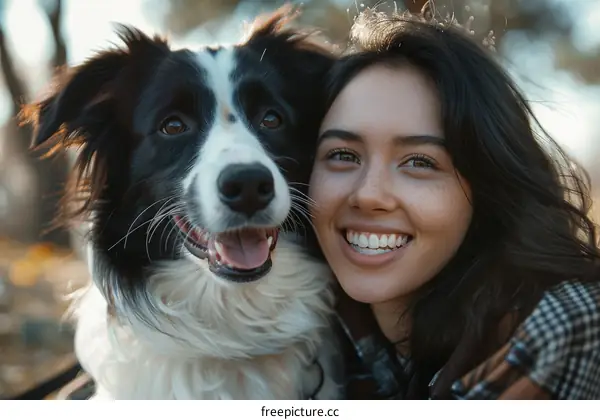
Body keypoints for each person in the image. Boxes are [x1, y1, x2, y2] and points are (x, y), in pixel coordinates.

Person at [309, 5, 600, 399]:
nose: (368, 194)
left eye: (419, 162)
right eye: (343, 155)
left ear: (487, 186)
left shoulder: (563, 326)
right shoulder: (314, 329)